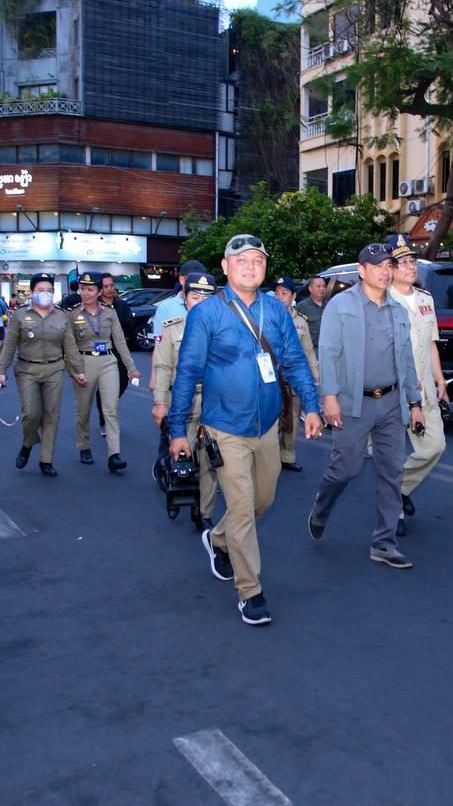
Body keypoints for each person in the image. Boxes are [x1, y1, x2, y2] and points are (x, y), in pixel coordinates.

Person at [168, 234, 321, 626]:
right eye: (242, 260)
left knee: (262, 501)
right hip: (224, 429)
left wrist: (312, 406)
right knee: (241, 508)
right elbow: (187, 371)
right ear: (225, 267)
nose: (251, 267)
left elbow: (295, 362)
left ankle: (218, 538)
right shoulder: (207, 314)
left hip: (266, 426)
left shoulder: (277, 311)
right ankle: (250, 592)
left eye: (258, 260)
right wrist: (177, 429)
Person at [307, 242, 425, 569]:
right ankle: (321, 507)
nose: (385, 272)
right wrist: (329, 397)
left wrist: (414, 403)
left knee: (392, 472)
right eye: (377, 266)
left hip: (391, 403)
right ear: (362, 271)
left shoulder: (397, 310)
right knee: (345, 468)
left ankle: (384, 543)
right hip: (352, 403)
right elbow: (328, 352)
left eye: (389, 265)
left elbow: (406, 359)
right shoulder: (341, 305)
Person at [387, 235, 448, 536]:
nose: (411, 267)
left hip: (425, 391)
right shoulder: (382, 300)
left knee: (434, 447)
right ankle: (393, 513)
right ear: (390, 268)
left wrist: (440, 380)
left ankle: (400, 488)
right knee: (393, 454)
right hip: (395, 392)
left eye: (413, 261)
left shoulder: (426, 300)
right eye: (404, 262)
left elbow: (431, 343)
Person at [150, 271, 220, 523]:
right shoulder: (172, 328)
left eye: (206, 298)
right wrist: (160, 402)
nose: (200, 303)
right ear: (185, 297)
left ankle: (204, 512)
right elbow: (162, 367)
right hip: (184, 401)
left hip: (214, 402)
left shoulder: (223, 329)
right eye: (195, 297)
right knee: (184, 455)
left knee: (211, 459)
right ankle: (175, 483)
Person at [0, 273, 80, 477]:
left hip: (54, 369)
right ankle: (27, 444)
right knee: (31, 414)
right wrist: (1, 372)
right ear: (32, 292)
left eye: (49, 290)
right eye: (41, 290)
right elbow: (10, 345)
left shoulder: (61, 316)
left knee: (52, 415)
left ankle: (46, 459)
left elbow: (70, 346)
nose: (45, 294)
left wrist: (79, 371)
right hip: (27, 370)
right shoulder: (19, 315)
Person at [69, 271, 141, 472]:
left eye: (90, 289)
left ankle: (114, 454)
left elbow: (120, 341)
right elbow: (68, 345)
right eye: (83, 289)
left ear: (99, 291)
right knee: (83, 409)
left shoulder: (109, 312)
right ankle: (83, 446)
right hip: (83, 362)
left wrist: (131, 368)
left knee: (110, 409)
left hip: (108, 361)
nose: (86, 293)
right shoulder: (72, 314)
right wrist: (74, 370)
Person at [270, 275, 318, 473]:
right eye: (277, 293)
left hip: (294, 378)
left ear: (293, 296)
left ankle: (287, 455)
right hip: (273, 379)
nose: (280, 297)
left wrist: (315, 374)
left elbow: (308, 350)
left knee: (293, 417)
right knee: (273, 418)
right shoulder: (267, 317)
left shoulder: (300, 322)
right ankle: (270, 457)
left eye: (284, 293)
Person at [97, 272, 138, 437]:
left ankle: (108, 406)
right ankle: (104, 420)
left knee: (122, 383)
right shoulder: (95, 306)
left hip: (119, 350)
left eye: (111, 285)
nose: (109, 289)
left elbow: (130, 324)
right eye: (105, 286)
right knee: (103, 387)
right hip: (101, 351)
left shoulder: (121, 305)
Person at [151, 259, 209, 339]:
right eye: (192, 280)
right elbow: (159, 342)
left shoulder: (211, 306)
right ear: (182, 280)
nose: (197, 284)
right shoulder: (165, 308)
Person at [295, 274, 328, 349]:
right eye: (318, 286)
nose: (322, 289)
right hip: (311, 351)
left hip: (328, 350)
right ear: (310, 288)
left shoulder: (330, 305)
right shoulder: (302, 307)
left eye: (324, 286)